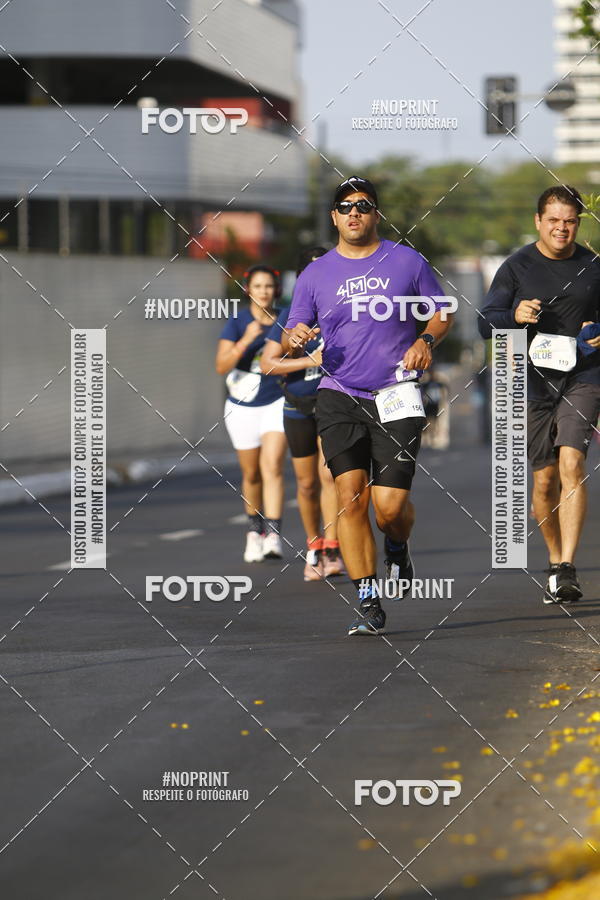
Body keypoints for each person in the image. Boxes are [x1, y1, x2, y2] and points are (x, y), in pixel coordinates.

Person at [286, 176, 454, 635]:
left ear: (376, 213)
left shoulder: (406, 260)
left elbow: (443, 312)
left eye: (363, 205)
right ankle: (367, 597)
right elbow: (294, 326)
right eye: (345, 206)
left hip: (397, 395)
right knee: (349, 496)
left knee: (389, 508)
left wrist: (424, 340)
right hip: (339, 394)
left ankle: (397, 547)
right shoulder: (315, 274)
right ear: (334, 217)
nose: (354, 213)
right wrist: (297, 335)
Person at [478, 185, 600, 604]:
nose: (562, 229)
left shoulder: (593, 266)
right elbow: (486, 321)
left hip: (583, 376)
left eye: (569, 221)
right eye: (554, 221)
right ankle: (552, 558)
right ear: (538, 222)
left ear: (577, 223)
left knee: (572, 460)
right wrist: (512, 315)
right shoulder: (516, 267)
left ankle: (567, 566)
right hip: (529, 382)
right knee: (544, 481)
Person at [261, 248, 345, 581]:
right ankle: (314, 546)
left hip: (332, 405)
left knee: (329, 477)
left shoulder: (343, 311)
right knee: (308, 483)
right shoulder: (290, 317)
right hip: (297, 407)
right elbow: (268, 364)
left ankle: (333, 547)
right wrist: (308, 360)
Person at [215, 265, 287, 562]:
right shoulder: (237, 321)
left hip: (276, 401)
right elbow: (221, 366)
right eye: (258, 286)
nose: (264, 292)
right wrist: (246, 339)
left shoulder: (285, 318)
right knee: (252, 472)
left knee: (272, 467)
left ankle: (273, 535)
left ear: (276, 290)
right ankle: (254, 531)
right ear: (248, 289)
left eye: (269, 286)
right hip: (241, 405)